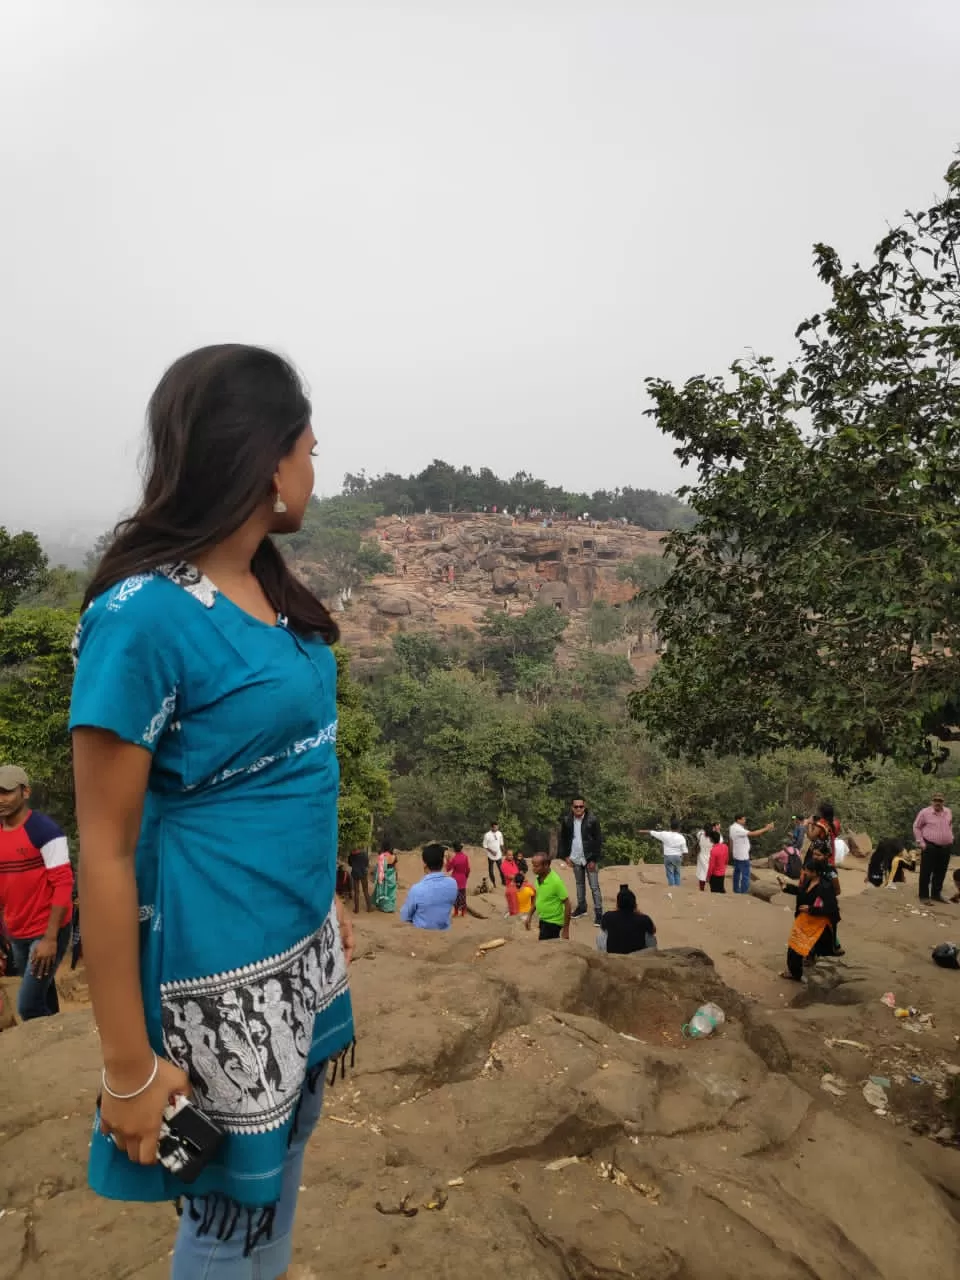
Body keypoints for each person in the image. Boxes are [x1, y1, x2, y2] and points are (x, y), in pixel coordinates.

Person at [69, 345, 355, 1278]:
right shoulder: (143, 616)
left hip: (298, 953)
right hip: (221, 977)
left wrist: (322, 898)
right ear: (269, 462)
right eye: (310, 448)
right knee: (234, 1235)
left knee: (276, 1192)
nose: (317, 467)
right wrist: (129, 1069)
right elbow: (102, 851)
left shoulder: (267, 586)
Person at [0, 765, 74, 1021]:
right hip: (17, 931)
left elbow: (64, 884)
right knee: (43, 991)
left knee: (28, 1005)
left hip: (47, 929)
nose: (1, 799)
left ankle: (57, 1041)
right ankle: (55, 1043)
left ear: (25, 792)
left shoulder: (44, 831)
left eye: (7, 792)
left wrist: (51, 939)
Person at [778, 845, 839, 980]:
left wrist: (811, 909)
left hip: (815, 921)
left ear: (815, 872)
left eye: (807, 871)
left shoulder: (825, 886)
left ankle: (796, 972)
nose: (805, 872)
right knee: (793, 945)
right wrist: (786, 887)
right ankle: (795, 971)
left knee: (798, 947)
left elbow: (831, 908)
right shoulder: (809, 881)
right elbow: (801, 892)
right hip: (804, 919)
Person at [558, 798, 603, 923]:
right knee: (579, 884)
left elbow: (598, 840)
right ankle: (582, 908)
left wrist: (593, 859)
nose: (578, 809)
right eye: (576, 806)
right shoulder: (567, 820)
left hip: (589, 858)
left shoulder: (592, 820)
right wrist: (566, 856)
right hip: (575, 857)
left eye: (581, 806)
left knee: (594, 887)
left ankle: (599, 913)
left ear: (585, 806)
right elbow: (563, 839)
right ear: (572, 807)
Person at [400, 844, 458, 930]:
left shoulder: (417, 889)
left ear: (424, 864)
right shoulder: (453, 884)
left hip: (421, 935)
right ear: (443, 861)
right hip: (444, 934)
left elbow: (405, 916)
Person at [913, 793, 954, 903]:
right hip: (930, 846)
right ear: (932, 801)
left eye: (940, 801)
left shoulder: (948, 812)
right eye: (935, 800)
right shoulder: (925, 812)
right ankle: (924, 896)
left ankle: (936, 895)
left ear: (943, 802)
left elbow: (950, 825)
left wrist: (951, 837)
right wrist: (921, 842)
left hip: (945, 847)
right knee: (926, 871)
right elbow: (916, 827)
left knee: (941, 872)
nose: (937, 803)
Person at [598, 885, 656, 954]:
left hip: (614, 955)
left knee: (602, 933)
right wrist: (638, 912)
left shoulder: (608, 916)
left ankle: (603, 955)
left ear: (617, 904)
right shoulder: (644, 919)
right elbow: (653, 930)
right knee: (650, 936)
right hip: (638, 955)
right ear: (635, 904)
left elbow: (602, 932)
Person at [525, 854, 571, 940]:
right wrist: (529, 915)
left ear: (546, 865)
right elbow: (538, 897)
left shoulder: (556, 882)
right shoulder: (539, 877)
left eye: (536, 866)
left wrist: (566, 930)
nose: (533, 869)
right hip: (543, 919)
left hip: (553, 922)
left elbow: (567, 904)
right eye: (533, 865)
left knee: (544, 946)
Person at [729, 813, 774, 894]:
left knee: (737, 873)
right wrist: (766, 828)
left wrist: (731, 852)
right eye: (743, 819)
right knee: (745, 875)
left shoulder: (732, 827)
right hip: (742, 856)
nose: (745, 820)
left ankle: (736, 890)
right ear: (738, 820)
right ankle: (744, 892)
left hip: (737, 854)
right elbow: (754, 834)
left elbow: (731, 840)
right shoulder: (738, 829)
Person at [638, 821, 688, 887]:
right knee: (677, 873)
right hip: (677, 857)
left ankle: (672, 887)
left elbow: (651, 832)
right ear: (679, 828)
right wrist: (685, 861)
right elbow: (685, 851)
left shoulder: (664, 834)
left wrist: (641, 831)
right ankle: (677, 888)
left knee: (670, 873)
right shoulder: (681, 837)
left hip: (668, 857)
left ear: (670, 827)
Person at [445, 841, 471, 918]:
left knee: (455, 896)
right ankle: (463, 912)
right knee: (463, 895)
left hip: (455, 879)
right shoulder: (465, 857)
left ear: (454, 849)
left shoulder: (454, 859)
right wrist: (466, 876)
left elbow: (448, 869)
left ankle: (456, 912)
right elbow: (468, 869)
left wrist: (447, 860)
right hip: (463, 878)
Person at [371, 845, 399, 913]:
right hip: (392, 877)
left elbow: (378, 868)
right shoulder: (394, 857)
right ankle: (390, 908)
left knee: (383, 891)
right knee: (391, 893)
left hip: (383, 877)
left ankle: (383, 907)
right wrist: (396, 877)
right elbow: (396, 868)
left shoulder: (382, 857)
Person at [482, 821, 507, 887]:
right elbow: (484, 845)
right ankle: (493, 883)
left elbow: (501, 843)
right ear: (492, 827)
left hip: (498, 855)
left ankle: (504, 882)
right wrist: (491, 851)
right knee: (491, 870)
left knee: (501, 869)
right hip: (491, 856)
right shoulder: (487, 835)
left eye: (497, 827)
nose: (497, 828)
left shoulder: (499, 833)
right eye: (495, 827)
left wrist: (504, 851)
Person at [695, 823, 718, 892]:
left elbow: (699, 832)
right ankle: (713, 888)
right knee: (712, 872)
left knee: (702, 872)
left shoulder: (700, 835)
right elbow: (720, 841)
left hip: (702, 855)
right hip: (711, 855)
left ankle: (702, 888)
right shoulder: (713, 837)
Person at [348, 847, 372, 914]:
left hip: (355, 874)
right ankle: (369, 908)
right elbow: (367, 863)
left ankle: (356, 909)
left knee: (356, 892)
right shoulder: (364, 854)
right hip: (363, 873)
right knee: (365, 891)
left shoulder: (351, 855)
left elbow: (350, 864)